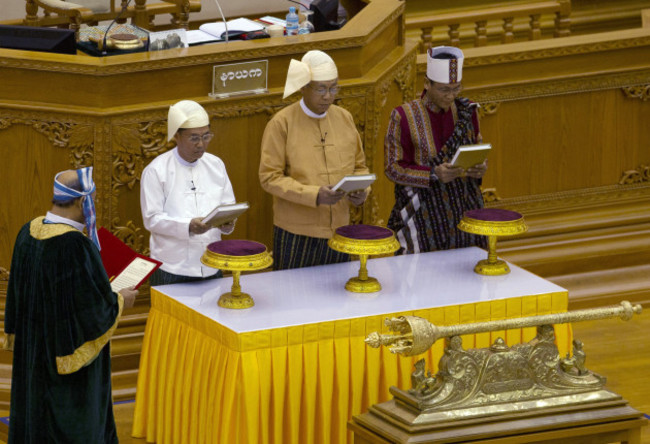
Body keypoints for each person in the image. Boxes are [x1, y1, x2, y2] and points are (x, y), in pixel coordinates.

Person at [3, 167, 138, 443]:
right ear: (80, 202)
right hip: (66, 371)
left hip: (33, 357)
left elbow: (16, 297)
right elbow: (92, 315)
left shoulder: (26, 233)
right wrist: (122, 298)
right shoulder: (75, 246)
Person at [259, 50, 369, 270]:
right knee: (294, 297)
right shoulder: (281, 123)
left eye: (333, 88)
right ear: (303, 87)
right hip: (296, 232)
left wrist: (361, 191)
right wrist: (314, 195)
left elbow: (360, 167)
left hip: (340, 228)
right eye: (321, 89)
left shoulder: (344, 118)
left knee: (338, 298)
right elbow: (269, 177)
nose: (328, 96)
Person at [385, 46, 488, 254]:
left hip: (464, 207)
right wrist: (433, 174)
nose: (451, 96)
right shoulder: (402, 116)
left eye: (456, 88)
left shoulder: (467, 111)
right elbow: (392, 168)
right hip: (422, 214)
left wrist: (480, 168)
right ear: (426, 83)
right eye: (443, 90)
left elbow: (476, 151)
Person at [141, 100, 236, 285]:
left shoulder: (216, 164)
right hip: (172, 267)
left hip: (211, 261)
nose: (201, 144)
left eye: (206, 136)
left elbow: (228, 206)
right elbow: (152, 219)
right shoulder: (156, 170)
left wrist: (227, 223)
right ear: (177, 136)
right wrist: (188, 226)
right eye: (194, 138)